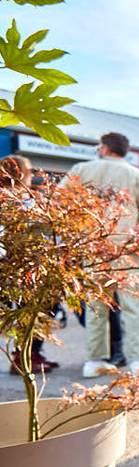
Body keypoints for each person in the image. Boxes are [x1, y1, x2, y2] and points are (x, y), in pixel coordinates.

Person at [68, 133, 139, 377]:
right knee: (133, 309)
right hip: (127, 250)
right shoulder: (136, 174)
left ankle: (94, 361)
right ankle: (137, 361)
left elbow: (61, 203)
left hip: (93, 246)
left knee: (96, 306)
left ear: (105, 148)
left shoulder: (81, 169)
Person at [1, 155, 59, 373]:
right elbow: (41, 227)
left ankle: (26, 354)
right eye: (30, 170)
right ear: (21, 173)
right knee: (36, 310)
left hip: (14, 263)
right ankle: (26, 356)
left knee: (26, 311)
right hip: (28, 263)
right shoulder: (23, 200)